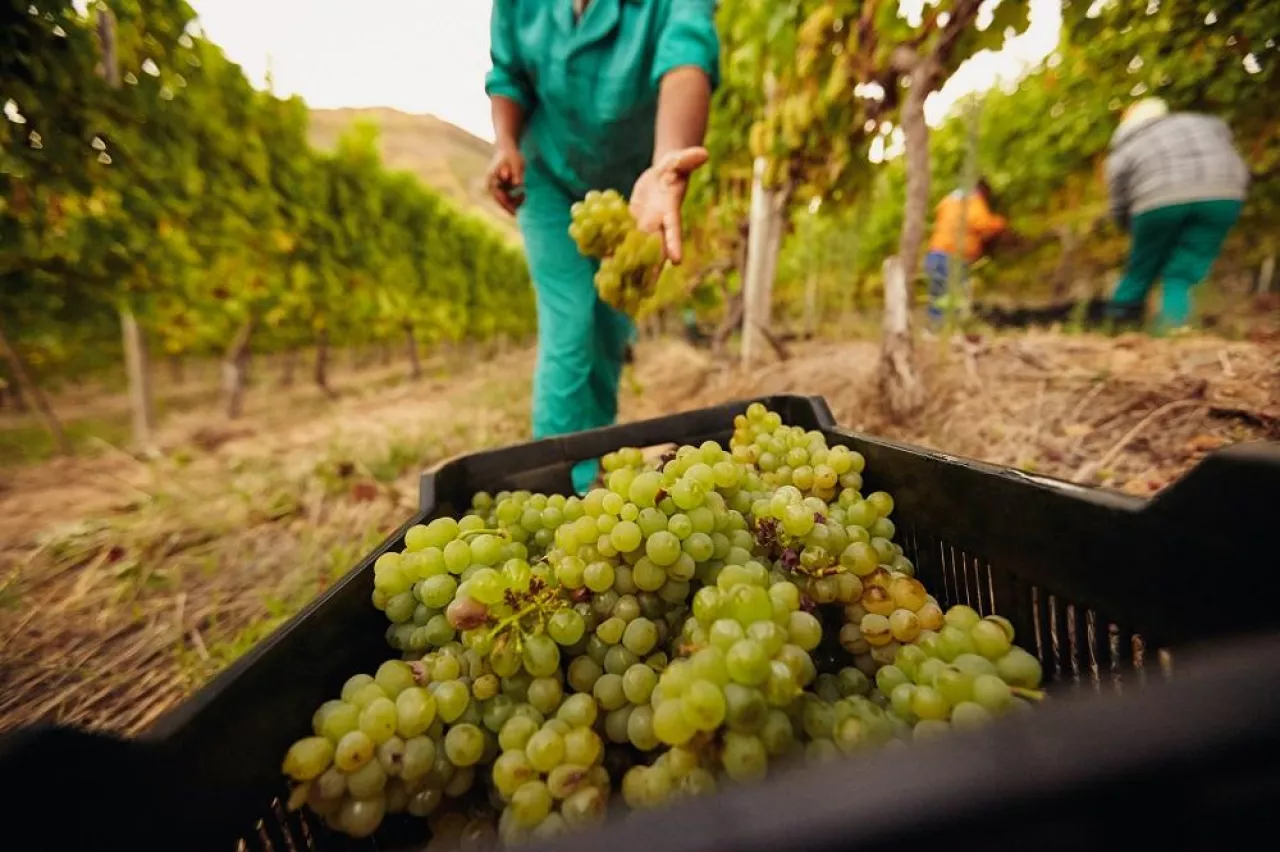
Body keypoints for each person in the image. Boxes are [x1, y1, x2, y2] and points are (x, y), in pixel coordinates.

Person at [484, 1, 718, 493]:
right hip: (545, 176)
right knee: (571, 320)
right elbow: (508, 76)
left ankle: (591, 466)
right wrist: (505, 141)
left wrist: (667, 162)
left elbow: (686, 59)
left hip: (636, 190)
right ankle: (552, 486)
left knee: (610, 329)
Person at [1105, 98, 1249, 332]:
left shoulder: (1129, 142)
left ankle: (1119, 327)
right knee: (1182, 272)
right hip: (1223, 193)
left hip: (1157, 200)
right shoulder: (1202, 124)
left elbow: (1118, 195)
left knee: (1141, 268)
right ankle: (1172, 329)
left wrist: (1127, 225)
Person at [924, 178, 1007, 327]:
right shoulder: (973, 201)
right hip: (953, 256)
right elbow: (981, 224)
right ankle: (947, 330)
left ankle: (936, 329)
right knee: (954, 297)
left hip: (935, 253)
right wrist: (1000, 223)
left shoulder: (948, 201)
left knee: (939, 296)